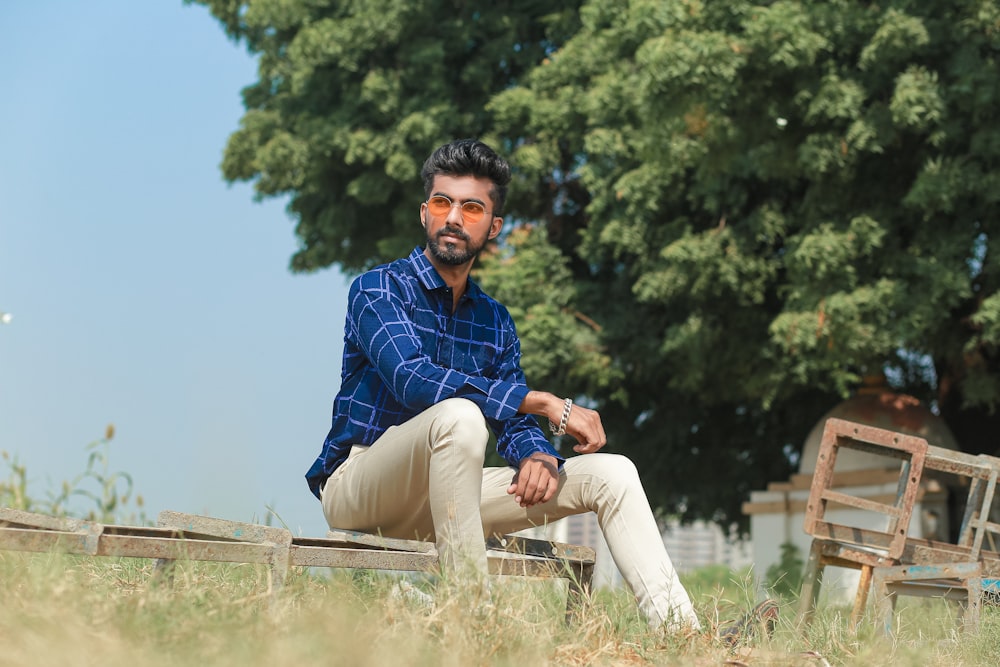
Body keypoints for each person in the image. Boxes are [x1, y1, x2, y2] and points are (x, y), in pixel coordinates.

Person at [305, 138, 700, 631]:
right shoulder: (378, 288)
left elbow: (511, 418)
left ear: (493, 227)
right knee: (461, 416)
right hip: (361, 488)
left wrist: (537, 455)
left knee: (612, 472)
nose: (453, 217)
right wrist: (545, 403)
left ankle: (681, 634)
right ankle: (474, 625)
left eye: (472, 208)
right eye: (442, 203)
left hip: (452, 497)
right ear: (424, 212)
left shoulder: (494, 319)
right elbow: (413, 379)